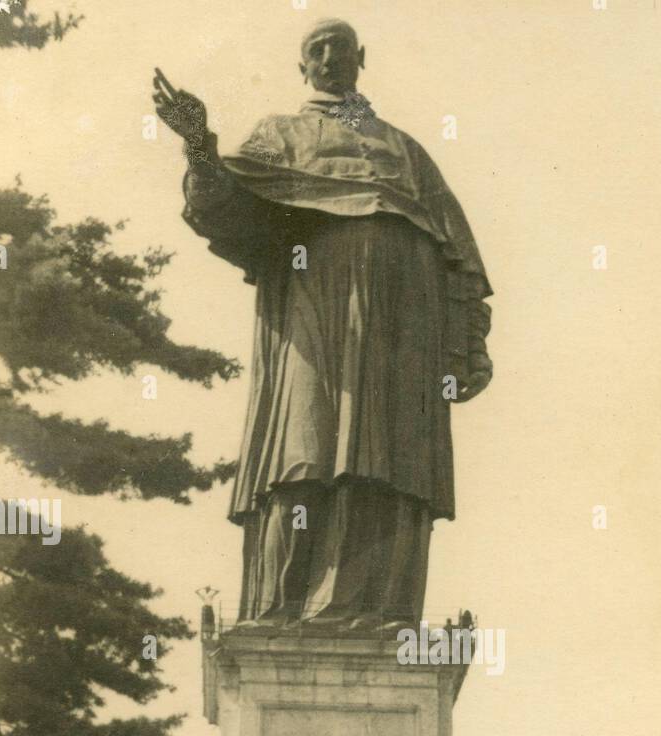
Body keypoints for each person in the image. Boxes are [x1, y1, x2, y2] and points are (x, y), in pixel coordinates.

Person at [152, 17, 492, 631]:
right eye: (317, 48)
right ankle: (284, 609)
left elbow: (458, 255)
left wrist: (468, 345)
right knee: (303, 449)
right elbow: (221, 204)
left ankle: (377, 609)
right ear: (302, 65)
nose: (330, 56)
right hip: (315, 303)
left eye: (341, 47)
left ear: (362, 57)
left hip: (403, 322)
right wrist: (199, 146)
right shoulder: (278, 135)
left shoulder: (407, 151)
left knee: (390, 459)